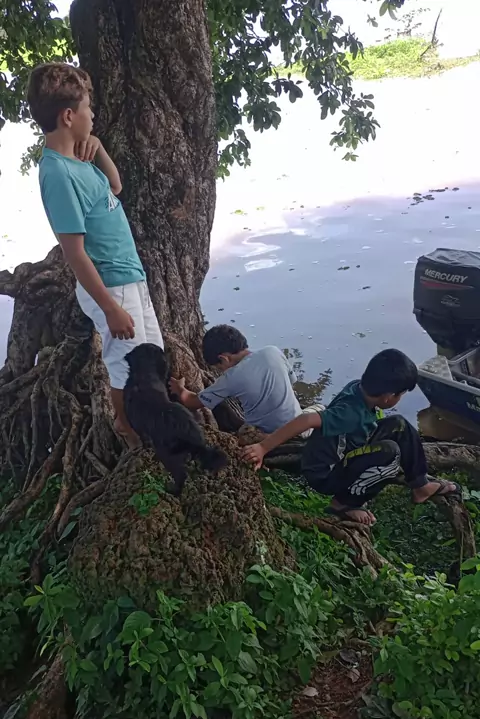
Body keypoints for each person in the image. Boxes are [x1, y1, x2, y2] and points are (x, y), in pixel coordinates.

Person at [27, 62, 164, 449]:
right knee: (125, 366)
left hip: (130, 275)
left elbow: (115, 186)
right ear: (68, 116)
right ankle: (128, 430)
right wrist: (109, 308)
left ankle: (154, 422)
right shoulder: (57, 174)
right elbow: (74, 254)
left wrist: (99, 147)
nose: (93, 116)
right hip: (111, 285)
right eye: (88, 109)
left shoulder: (78, 160)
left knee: (152, 354)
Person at [242, 348, 459, 525]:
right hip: (327, 474)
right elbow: (306, 420)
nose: (399, 398)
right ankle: (344, 503)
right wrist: (263, 447)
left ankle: (420, 484)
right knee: (390, 454)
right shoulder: (349, 413)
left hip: (348, 452)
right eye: (400, 395)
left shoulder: (358, 387)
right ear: (387, 397)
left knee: (399, 424)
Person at [170, 324, 314, 434]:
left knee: (242, 434)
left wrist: (179, 388)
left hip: (269, 434)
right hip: (299, 425)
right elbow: (292, 381)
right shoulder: (273, 351)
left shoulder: (231, 377)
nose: (221, 371)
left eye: (219, 368)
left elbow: (192, 402)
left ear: (224, 358)